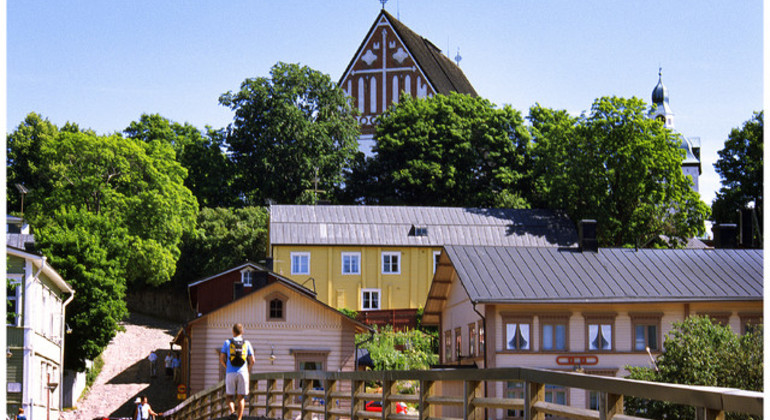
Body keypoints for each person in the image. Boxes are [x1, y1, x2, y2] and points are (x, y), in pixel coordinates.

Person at [219, 323, 255, 420]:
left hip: (230, 372)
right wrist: (247, 370)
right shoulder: (246, 343)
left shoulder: (227, 342)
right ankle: (239, 419)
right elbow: (253, 360)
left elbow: (221, 359)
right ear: (242, 332)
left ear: (233, 331)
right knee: (241, 397)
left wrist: (226, 367)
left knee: (229, 396)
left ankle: (233, 411)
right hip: (243, 373)